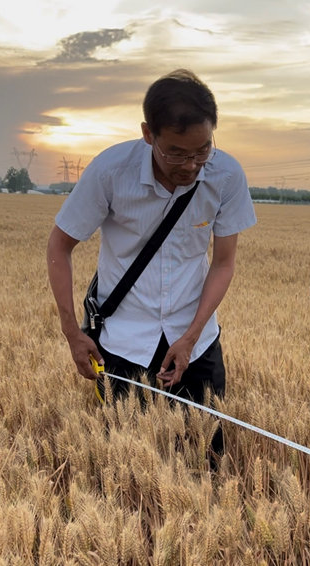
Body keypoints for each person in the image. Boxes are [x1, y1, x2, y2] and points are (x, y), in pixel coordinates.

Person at [47, 70, 257, 449]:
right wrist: (72, 333)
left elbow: (223, 262)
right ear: (148, 134)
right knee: (125, 463)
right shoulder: (111, 172)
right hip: (123, 342)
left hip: (196, 341)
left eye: (202, 150)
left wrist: (191, 338)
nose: (192, 166)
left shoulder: (226, 175)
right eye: (176, 152)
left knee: (205, 457)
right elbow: (59, 245)